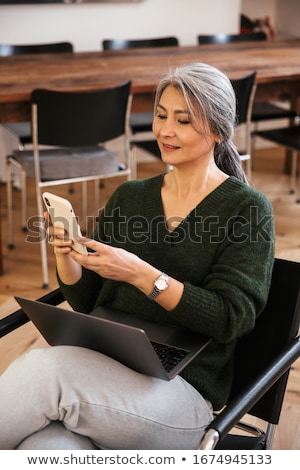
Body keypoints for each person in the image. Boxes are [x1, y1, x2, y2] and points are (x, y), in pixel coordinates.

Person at [0, 62, 275, 450]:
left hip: (182, 397)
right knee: (45, 449)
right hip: (104, 377)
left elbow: (232, 317)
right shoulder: (130, 197)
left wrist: (143, 275)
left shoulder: (246, 209)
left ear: (216, 130)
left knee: (49, 371)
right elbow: (90, 303)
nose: (164, 130)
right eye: (160, 115)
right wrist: (68, 256)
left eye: (183, 120)